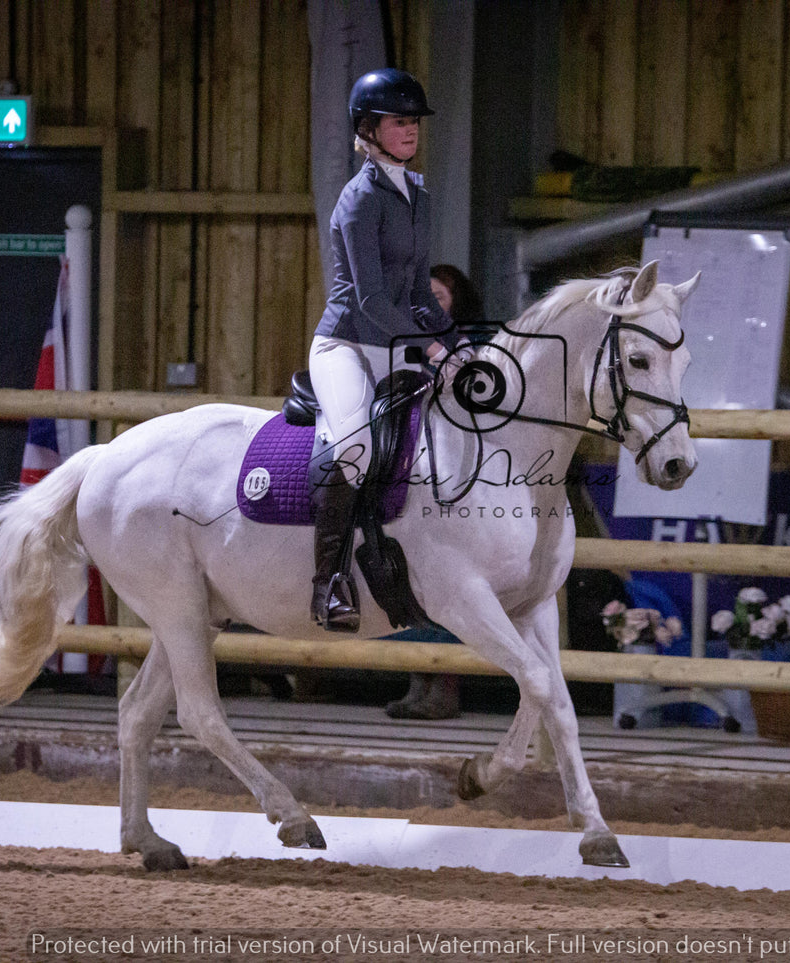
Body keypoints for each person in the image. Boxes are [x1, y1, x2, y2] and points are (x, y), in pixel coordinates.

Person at [308, 68, 458, 632]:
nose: (411, 129)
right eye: (399, 121)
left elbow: (418, 291)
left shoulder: (418, 194)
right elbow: (370, 299)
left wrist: (458, 340)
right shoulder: (358, 200)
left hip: (397, 345)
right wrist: (429, 347)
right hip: (348, 345)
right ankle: (328, 585)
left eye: (414, 121)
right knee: (356, 450)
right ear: (368, 129)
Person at [383, 264, 486, 721]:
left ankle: (445, 686)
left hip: (453, 470)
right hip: (408, 461)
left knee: (448, 577)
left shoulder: (471, 348)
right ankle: (416, 679)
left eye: (439, 297)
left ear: (455, 303)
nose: (429, 303)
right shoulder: (406, 341)